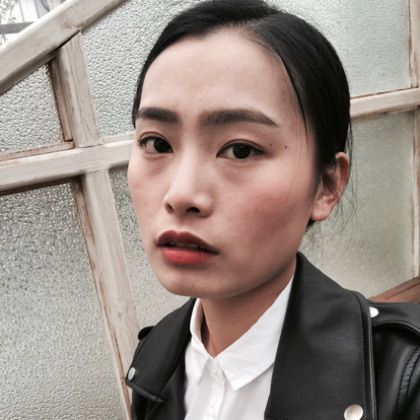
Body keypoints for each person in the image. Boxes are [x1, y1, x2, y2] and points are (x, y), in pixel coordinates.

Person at [125, 1, 420, 419]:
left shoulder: (404, 377)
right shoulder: (156, 357)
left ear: (326, 185)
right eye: (157, 143)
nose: (181, 194)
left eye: (240, 150)